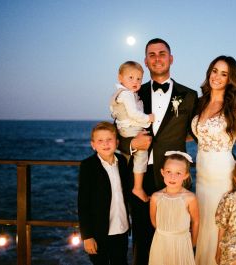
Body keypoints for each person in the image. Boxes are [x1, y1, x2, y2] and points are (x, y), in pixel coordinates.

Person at [118, 38, 198, 265]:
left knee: (177, 237)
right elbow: (118, 132)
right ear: (145, 61)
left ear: (171, 59)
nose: (157, 58)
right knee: (142, 240)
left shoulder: (189, 95)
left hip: (175, 177)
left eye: (162, 53)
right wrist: (133, 145)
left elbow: (199, 128)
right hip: (140, 179)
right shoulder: (133, 93)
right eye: (151, 54)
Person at [191, 55, 236, 265]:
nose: (217, 76)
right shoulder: (200, 104)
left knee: (221, 230)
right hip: (201, 178)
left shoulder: (235, 109)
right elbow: (189, 134)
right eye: (215, 71)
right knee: (203, 227)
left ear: (230, 79)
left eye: (224, 73)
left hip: (222, 178)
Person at [78, 121, 131, 265]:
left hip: (121, 228)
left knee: (121, 262)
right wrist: (87, 236)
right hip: (99, 232)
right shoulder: (88, 166)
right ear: (93, 145)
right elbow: (83, 203)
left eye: (109, 140)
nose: (105, 144)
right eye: (100, 140)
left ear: (117, 142)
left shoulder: (122, 161)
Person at [110, 61, 155, 203]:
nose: (135, 81)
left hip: (124, 129)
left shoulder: (119, 94)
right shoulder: (127, 94)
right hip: (132, 130)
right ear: (120, 78)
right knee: (141, 155)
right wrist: (149, 118)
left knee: (125, 161)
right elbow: (134, 114)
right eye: (131, 77)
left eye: (139, 79)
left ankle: (122, 186)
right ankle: (138, 187)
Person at [148, 151, 199, 265]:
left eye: (178, 173)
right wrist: (166, 232)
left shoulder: (190, 198)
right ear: (162, 172)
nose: (172, 177)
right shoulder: (156, 197)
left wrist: (193, 243)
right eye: (169, 172)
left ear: (186, 175)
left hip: (182, 243)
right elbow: (154, 220)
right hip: (161, 242)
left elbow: (196, 221)